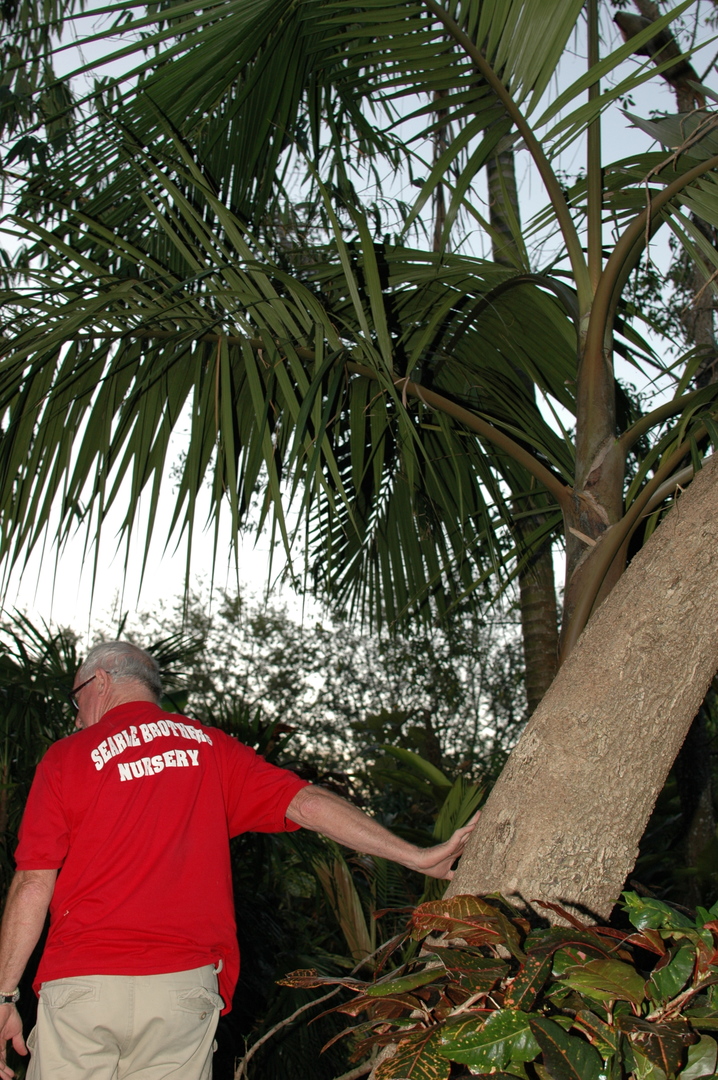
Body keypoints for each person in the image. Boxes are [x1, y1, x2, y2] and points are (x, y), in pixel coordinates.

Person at [0, 641, 477, 1080]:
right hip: (182, 992)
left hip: (84, 986)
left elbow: (33, 884)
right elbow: (307, 803)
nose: (77, 717)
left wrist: (4, 995)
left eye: (77, 698)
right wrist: (416, 856)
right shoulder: (210, 747)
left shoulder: (67, 757)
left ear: (101, 681)